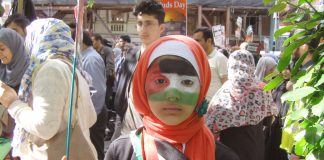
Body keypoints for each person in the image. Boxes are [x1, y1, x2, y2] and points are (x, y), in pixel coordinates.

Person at [107, 35, 240, 160]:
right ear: (142, 87)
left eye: (187, 82)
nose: (172, 95)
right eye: (160, 81)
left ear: (202, 89)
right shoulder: (122, 152)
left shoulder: (222, 156)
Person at [0, 18, 97, 159]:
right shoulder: (73, 70)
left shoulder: (50, 70)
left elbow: (44, 127)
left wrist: (14, 104)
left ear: (39, 38)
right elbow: (91, 117)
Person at [205, 49, 278, 160]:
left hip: (229, 152)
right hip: (255, 149)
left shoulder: (225, 92)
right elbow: (268, 121)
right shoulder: (263, 89)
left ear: (230, 66)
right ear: (251, 64)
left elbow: (211, 127)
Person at [111, 0, 165, 141]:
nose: (143, 29)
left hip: (154, 130)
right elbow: (124, 89)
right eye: (140, 23)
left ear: (161, 28)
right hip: (125, 125)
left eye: (149, 23)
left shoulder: (167, 59)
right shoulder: (131, 54)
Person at [0, 28, 29, 158]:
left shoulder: (28, 74)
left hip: (23, 141)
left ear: (14, 46)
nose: (0, 54)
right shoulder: (3, 71)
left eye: (2, 49)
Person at [81, 31, 107, 160]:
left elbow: (96, 91)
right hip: (92, 113)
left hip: (94, 114)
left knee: (95, 153)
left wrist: (89, 117)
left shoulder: (90, 59)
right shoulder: (87, 57)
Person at [193, 27, 228, 101]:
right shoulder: (196, 58)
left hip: (215, 106)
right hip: (199, 105)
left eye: (198, 40)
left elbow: (226, 84)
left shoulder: (220, 58)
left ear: (209, 41)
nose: (194, 43)